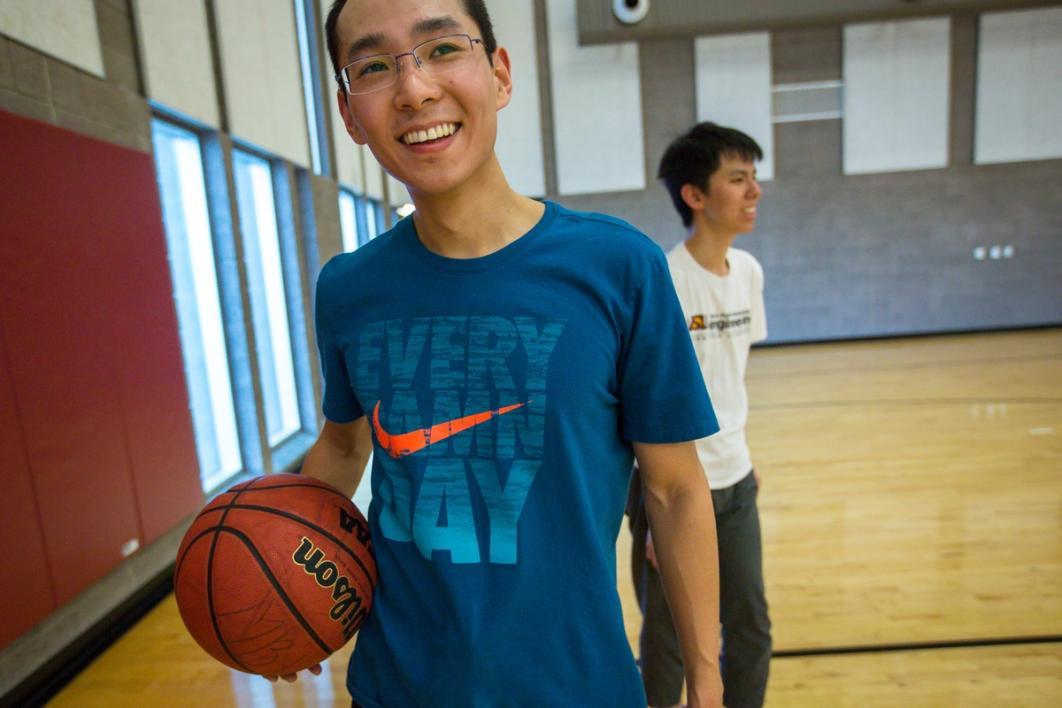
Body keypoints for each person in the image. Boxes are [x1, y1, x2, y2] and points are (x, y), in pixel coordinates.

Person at [278, 1, 726, 706]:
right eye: (373, 66)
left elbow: (673, 489)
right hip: (398, 686)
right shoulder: (348, 288)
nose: (415, 88)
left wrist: (705, 673)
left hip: (579, 686)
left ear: (500, 74)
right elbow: (341, 447)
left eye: (442, 49)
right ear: (348, 114)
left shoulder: (620, 267)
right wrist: (287, 591)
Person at [629, 122, 772, 708]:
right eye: (737, 178)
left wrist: (745, 457)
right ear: (694, 195)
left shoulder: (749, 274)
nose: (753, 191)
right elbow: (643, 400)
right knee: (670, 643)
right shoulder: (664, 281)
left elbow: (729, 379)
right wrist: (660, 508)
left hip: (735, 484)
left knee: (750, 629)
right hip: (674, 490)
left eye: (754, 178)